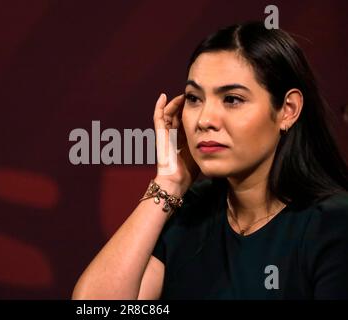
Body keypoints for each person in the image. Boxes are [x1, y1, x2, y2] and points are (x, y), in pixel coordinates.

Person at [72, 21, 348, 299]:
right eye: (194, 98)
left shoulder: (332, 223)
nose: (204, 120)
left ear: (288, 110)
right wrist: (168, 183)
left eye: (232, 99)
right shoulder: (189, 213)